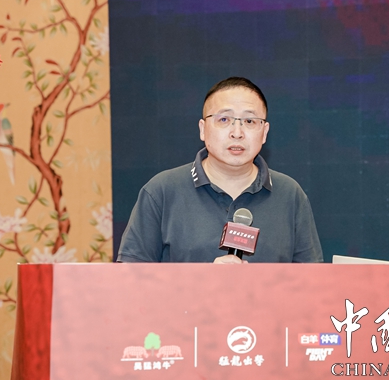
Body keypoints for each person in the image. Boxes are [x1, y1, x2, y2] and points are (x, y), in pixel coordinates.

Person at [117, 77, 323, 264]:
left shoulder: (290, 195)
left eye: (249, 121)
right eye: (224, 120)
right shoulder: (162, 191)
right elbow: (130, 281)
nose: (237, 133)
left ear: (264, 132)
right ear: (202, 129)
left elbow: (312, 282)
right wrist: (206, 282)